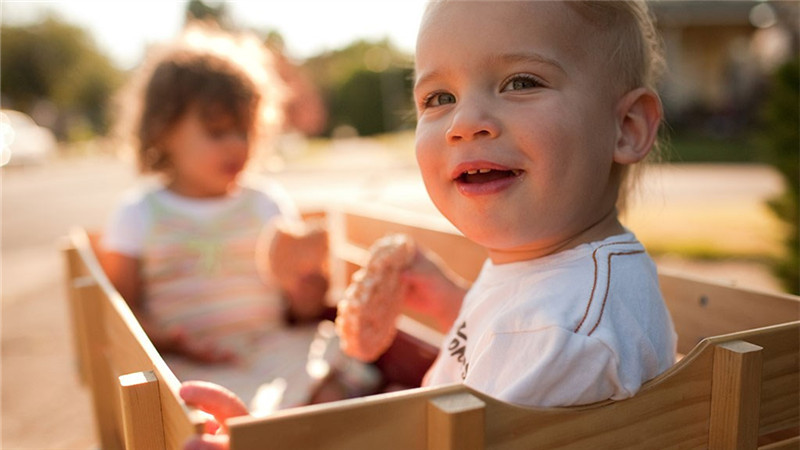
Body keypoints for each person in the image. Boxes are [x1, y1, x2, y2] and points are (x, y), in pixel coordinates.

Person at [181, 0, 677, 446]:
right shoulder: (556, 276)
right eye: (439, 98)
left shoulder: (558, 335)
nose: (465, 122)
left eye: (521, 82)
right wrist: (450, 303)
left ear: (627, 127)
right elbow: (503, 340)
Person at [101, 23, 348, 413]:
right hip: (189, 361)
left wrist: (306, 293)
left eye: (245, 131)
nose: (237, 144)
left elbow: (297, 312)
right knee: (202, 411)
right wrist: (169, 339)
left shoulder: (265, 203)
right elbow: (123, 312)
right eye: (217, 132)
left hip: (270, 345)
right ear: (163, 131)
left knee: (326, 386)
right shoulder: (139, 213)